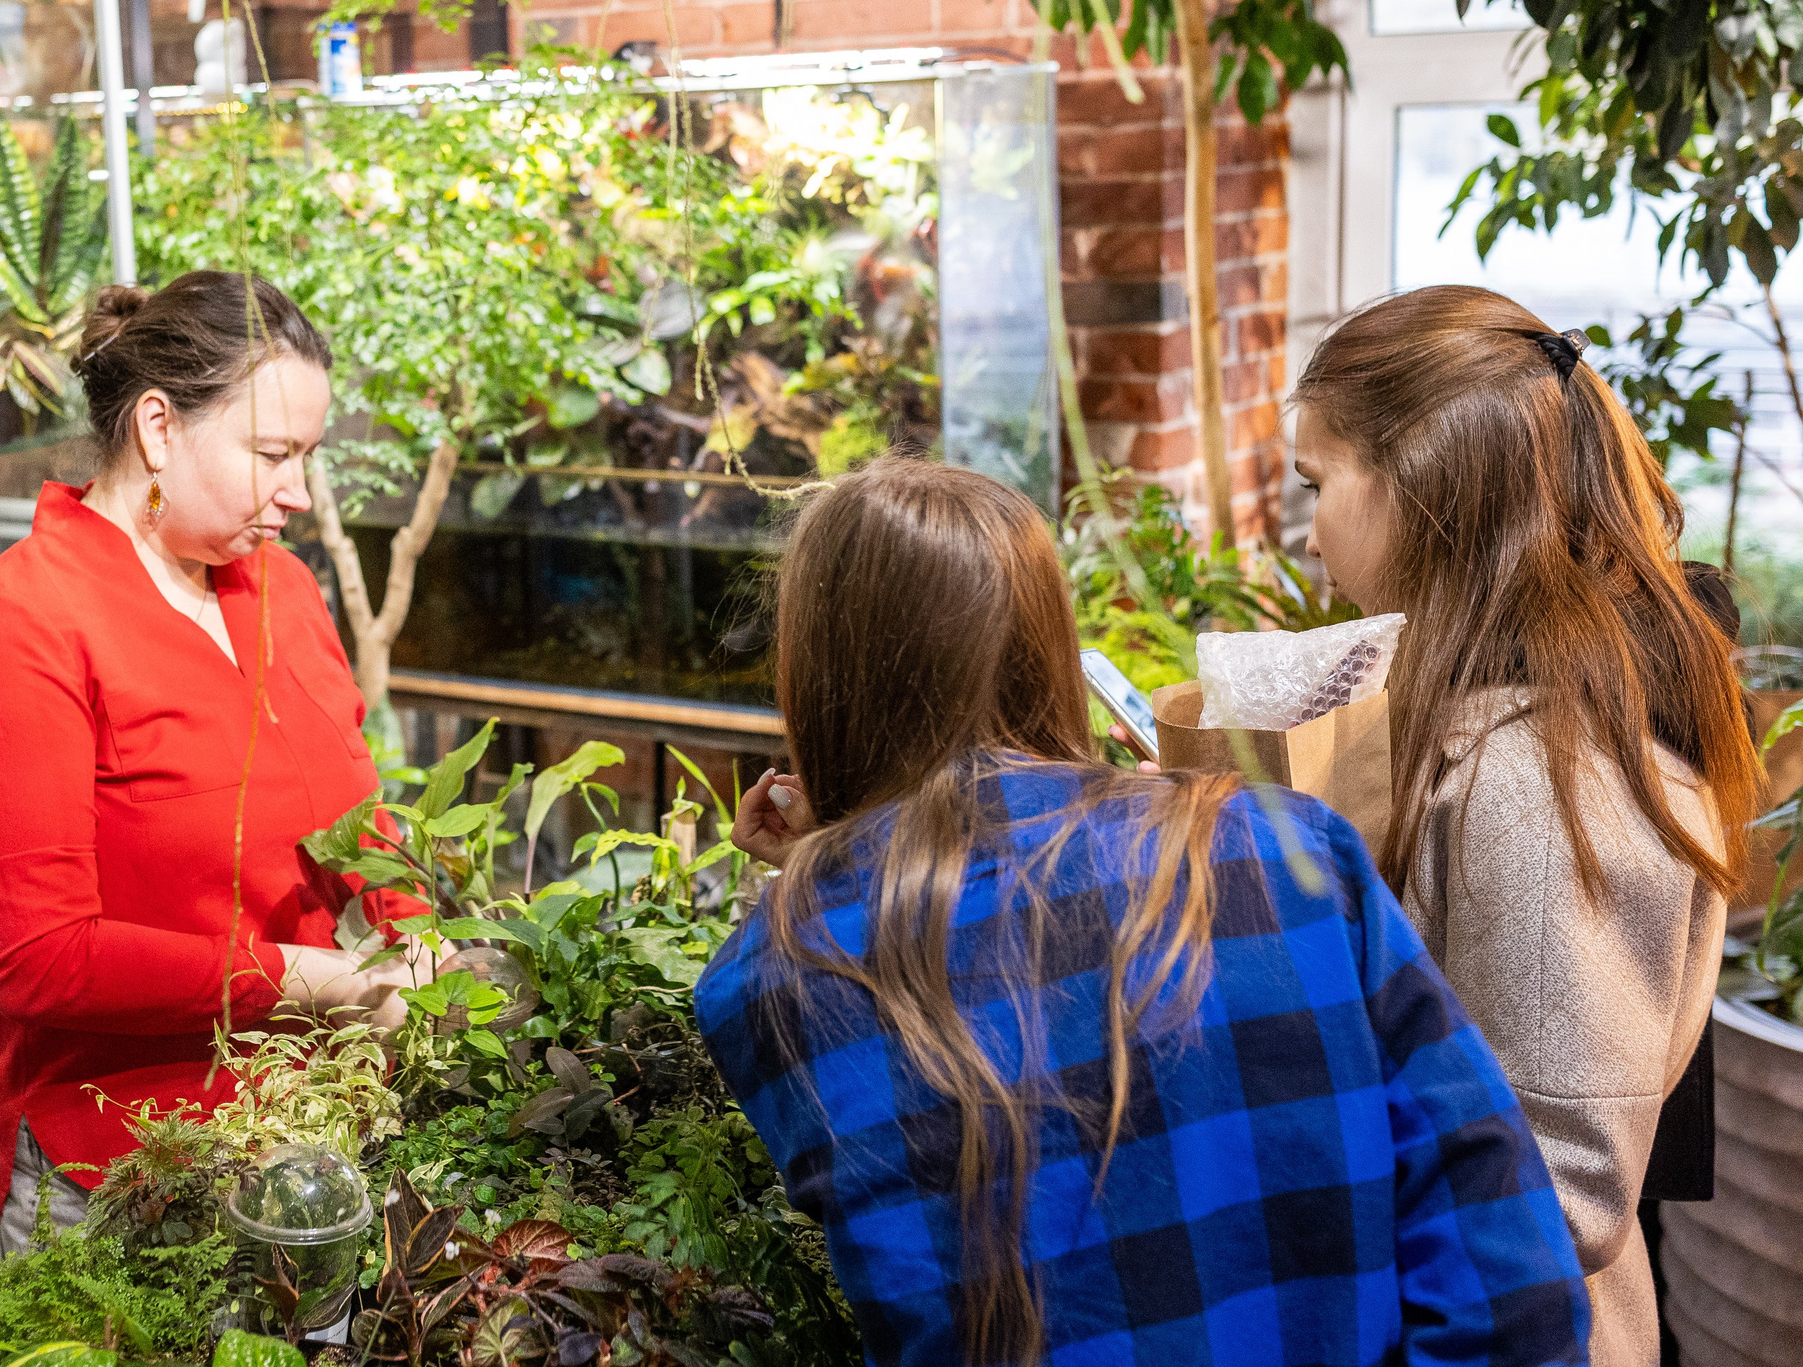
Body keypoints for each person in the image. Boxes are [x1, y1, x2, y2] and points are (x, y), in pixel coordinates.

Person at [700, 456, 1591, 1367]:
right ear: (1048, 644)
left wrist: (836, 862)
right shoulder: (1282, 848)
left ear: (817, 679)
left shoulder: (767, 982)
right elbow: (1510, 1279)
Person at [0, 272, 428, 1250]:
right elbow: (40, 962)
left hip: (307, 1133)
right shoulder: (18, 626)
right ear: (157, 428)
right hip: (124, 1176)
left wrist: (414, 931)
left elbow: (356, 813)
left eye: (307, 457)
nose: (298, 493)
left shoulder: (280, 589)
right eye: (273, 454)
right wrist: (313, 979)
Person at [1289, 284, 1756, 1367]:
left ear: (1422, 481)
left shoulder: (1545, 779)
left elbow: (1561, 1189)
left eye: (1316, 484)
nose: (1305, 534)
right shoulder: (1495, 727)